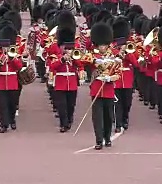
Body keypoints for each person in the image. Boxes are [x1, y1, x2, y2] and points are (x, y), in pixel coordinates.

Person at [87, 21, 120, 150]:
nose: (102, 47)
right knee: (97, 118)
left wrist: (110, 78)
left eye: (104, 45)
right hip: (96, 90)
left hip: (108, 90)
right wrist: (96, 61)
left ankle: (107, 138)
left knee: (108, 117)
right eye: (100, 45)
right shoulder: (93, 55)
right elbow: (83, 60)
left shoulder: (114, 58)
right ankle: (99, 140)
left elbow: (119, 73)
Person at [48, 27, 84, 132]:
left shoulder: (74, 56)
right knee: (61, 106)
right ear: (61, 47)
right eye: (65, 47)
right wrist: (62, 59)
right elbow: (52, 66)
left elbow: (80, 65)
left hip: (72, 83)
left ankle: (69, 120)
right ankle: (63, 124)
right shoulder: (56, 56)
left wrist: (74, 59)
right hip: (60, 83)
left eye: (69, 48)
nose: (67, 50)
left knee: (71, 105)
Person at [0, 24, 22, 133]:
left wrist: (12, 58)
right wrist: (1, 60)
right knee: (3, 105)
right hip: (0, 83)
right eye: (4, 47)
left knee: (12, 104)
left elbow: (19, 66)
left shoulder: (14, 54)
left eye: (7, 46)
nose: (6, 48)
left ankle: (12, 120)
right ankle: (4, 124)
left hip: (12, 82)